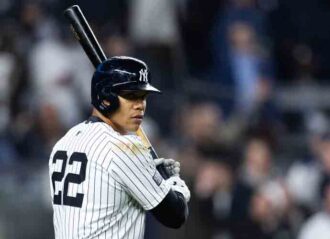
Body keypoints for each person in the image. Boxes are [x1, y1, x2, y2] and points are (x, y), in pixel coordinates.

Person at [48, 56, 190, 239]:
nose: (140, 106)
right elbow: (175, 215)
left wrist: (149, 173)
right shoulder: (126, 148)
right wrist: (173, 183)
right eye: (131, 96)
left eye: (143, 97)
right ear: (106, 98)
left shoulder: (65, 141)